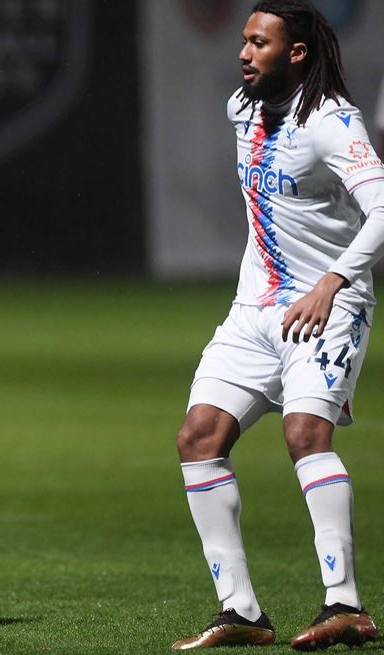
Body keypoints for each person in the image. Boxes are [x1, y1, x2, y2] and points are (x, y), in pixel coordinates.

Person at [171, 1, 384, 650]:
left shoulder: (332, 122)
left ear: (296, 53)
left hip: (327, 308)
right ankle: (241, 612)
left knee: (305, 434)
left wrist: (332, 280)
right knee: (198, 437)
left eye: (259, 43)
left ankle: (345, 604)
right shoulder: (244, 107)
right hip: (253, 310)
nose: (244, 52)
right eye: (243, 40)